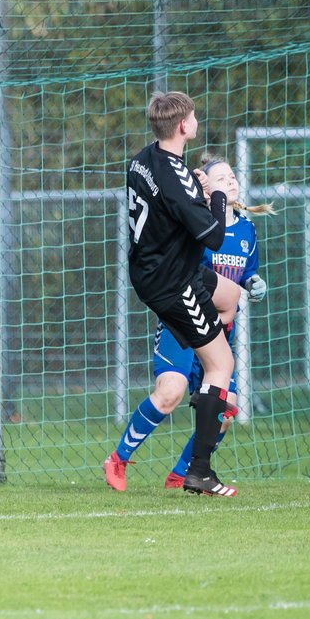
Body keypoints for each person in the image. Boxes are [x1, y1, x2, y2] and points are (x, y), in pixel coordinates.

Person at [105, 156, 271, 490]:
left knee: (227, 408)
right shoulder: (197, 225)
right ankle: (118, 460)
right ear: (206, 188)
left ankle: (182, 473)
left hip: (219, 332)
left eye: (232, 176)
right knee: (170, 393)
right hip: (182, 326)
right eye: (221, 178)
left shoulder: (246, 229)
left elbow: (245, 272)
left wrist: (253, 282)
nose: (231, 181)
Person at [124, 91, 238, 496]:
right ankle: (200, 471)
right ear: (183, 126)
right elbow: (216, 236)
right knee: (221, 365)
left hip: (162, 270)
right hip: (174, 282)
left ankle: (200, 351)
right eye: (192, 116)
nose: (195, 121)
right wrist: (216, 194)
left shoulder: (143, 159)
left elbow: (170, 197)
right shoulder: (177, 182)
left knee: (231, 296)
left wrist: (196, 186)